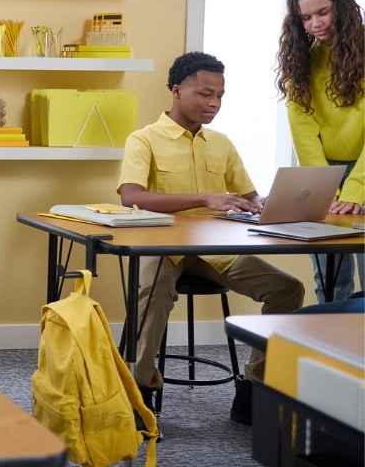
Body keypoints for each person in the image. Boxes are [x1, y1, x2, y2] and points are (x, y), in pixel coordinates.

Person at [117, 52, 305, 425]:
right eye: (205, 94)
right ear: (176, 90)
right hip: (165, 249)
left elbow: (250, 196)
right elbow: (131, 196)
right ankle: (140, 391)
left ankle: (255, 386)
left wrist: (266, 203)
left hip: (216, 252)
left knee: (288, 289)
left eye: (220, 95)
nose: (214, 103)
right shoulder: (144, 140)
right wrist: (204, 198)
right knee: (153, 295)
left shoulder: (221, 143)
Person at [276, 0, 364, 304]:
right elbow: (303, 130)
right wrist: (327, 188)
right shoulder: (302, 61)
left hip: (363, 171)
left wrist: (356, 189)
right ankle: (327, 349)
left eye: (322, 13)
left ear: (342, 7)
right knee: (328, 278)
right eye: (306, 17)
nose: (314, 23)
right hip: (325, 172)